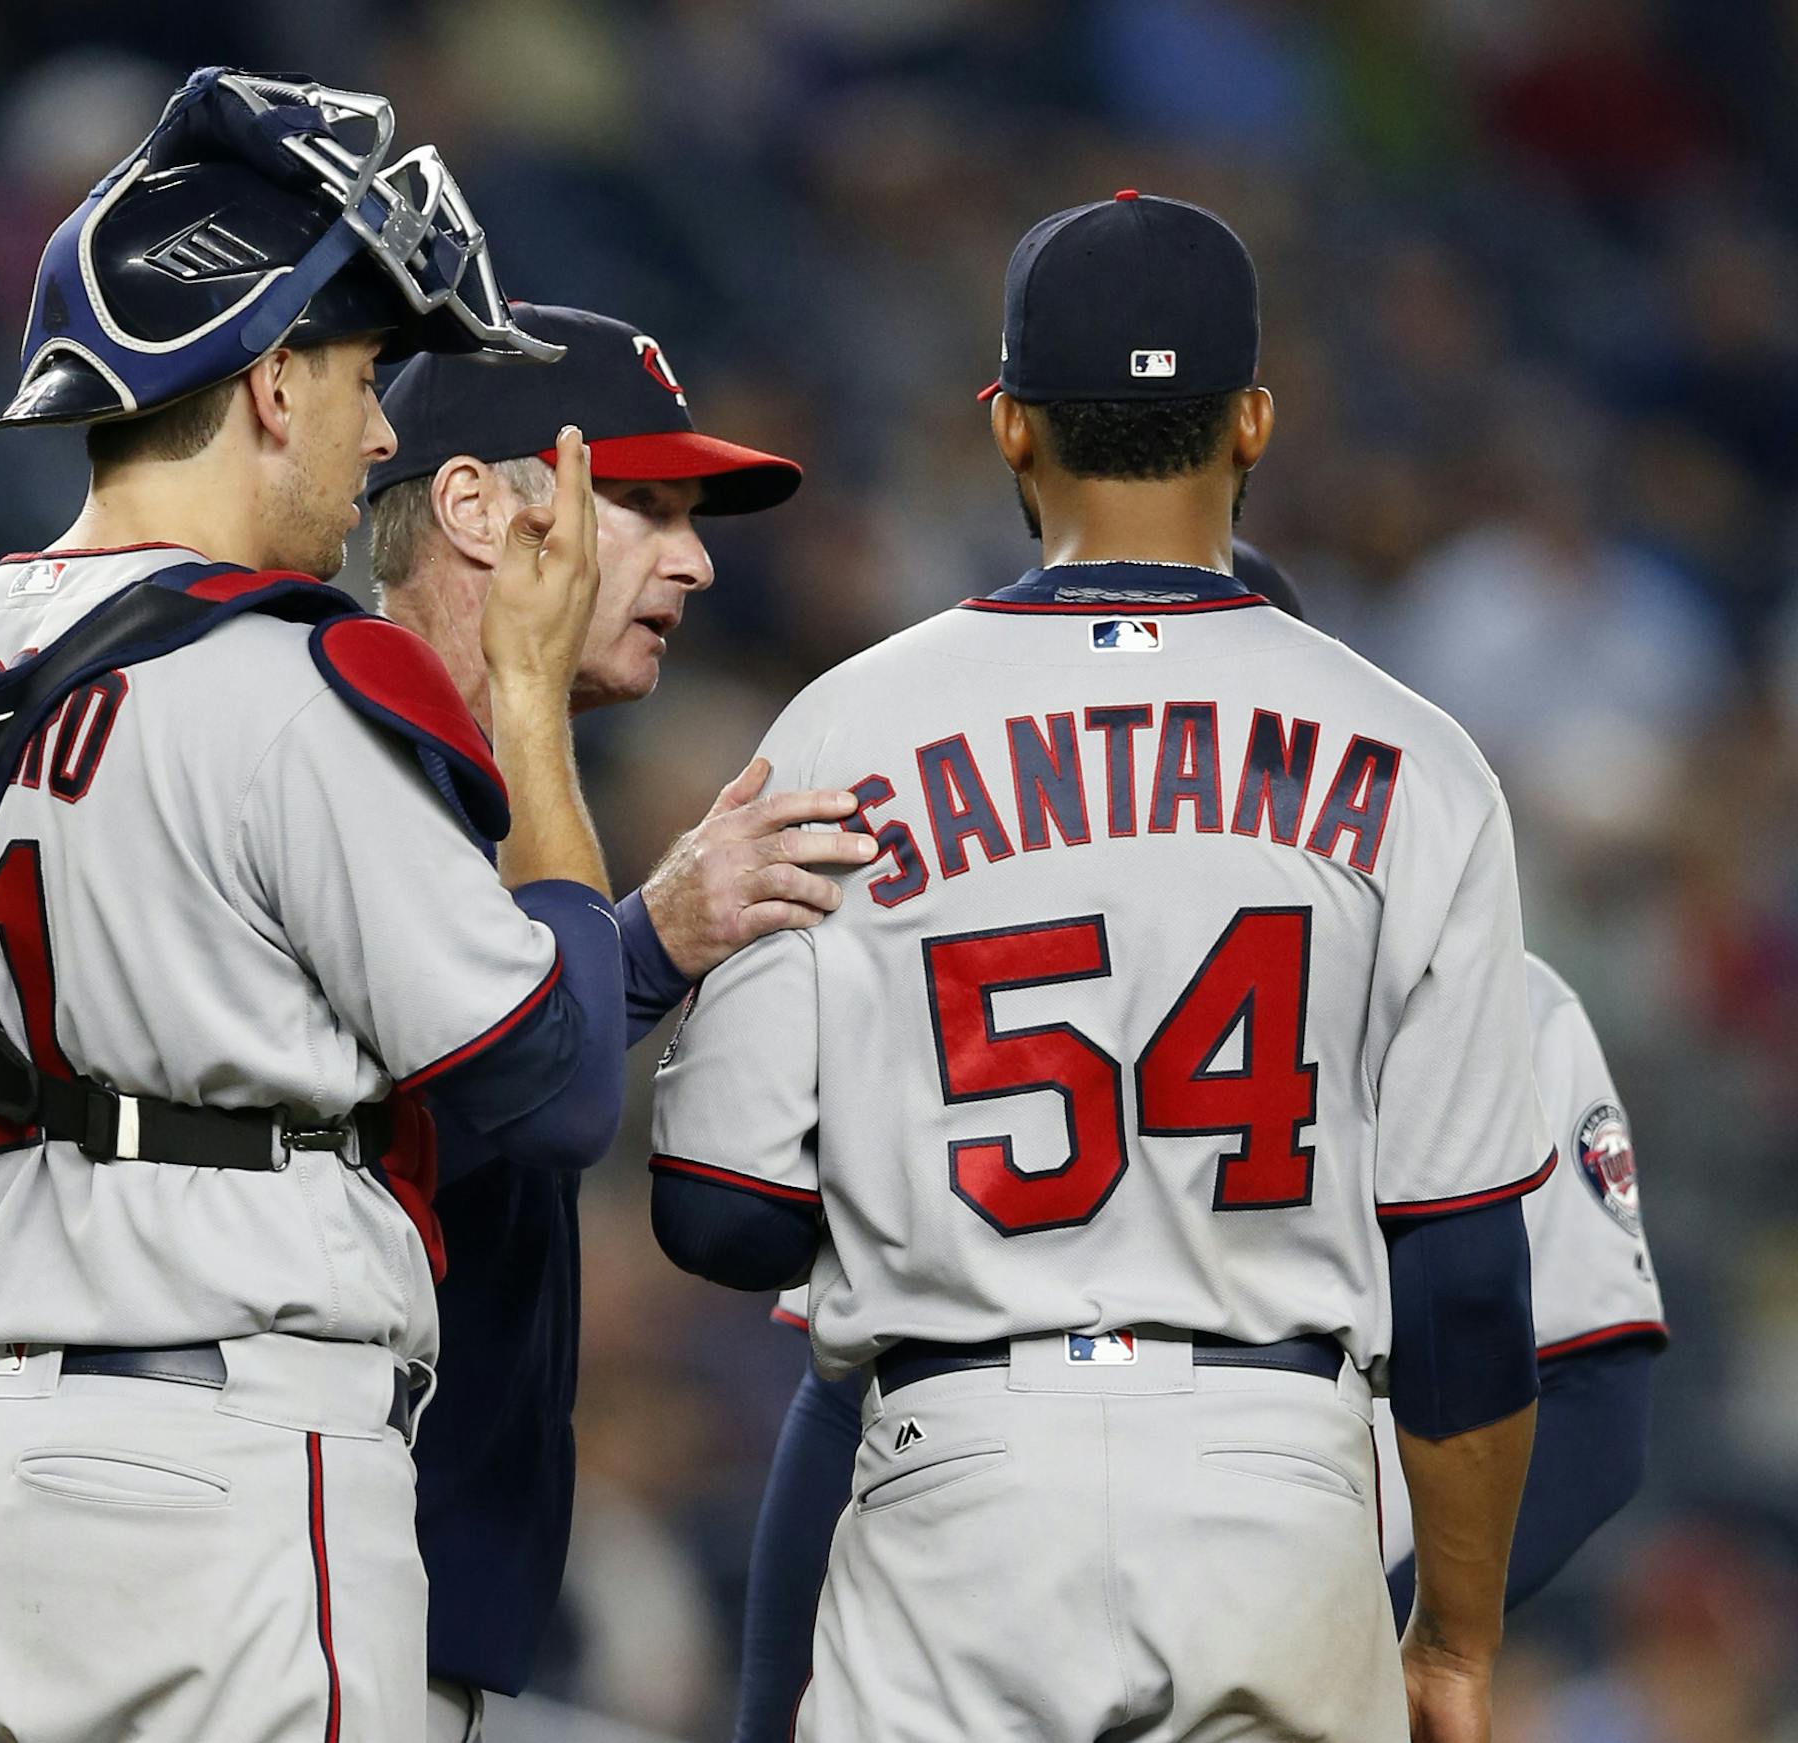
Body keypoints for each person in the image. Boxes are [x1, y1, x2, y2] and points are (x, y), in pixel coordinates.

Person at [0, 68, 621, 1743]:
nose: (382, 433)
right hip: (231, 1490)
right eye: (358, 379)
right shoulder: (295, 690)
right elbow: (556, 1087)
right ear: (273, 381)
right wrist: (533, 712)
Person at [647, 191, 1548, 1741]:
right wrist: (1453, 1640)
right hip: (1281, 1469)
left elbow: (723, 1212)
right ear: (1253, 419)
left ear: (1008, 425)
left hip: (962, 1465)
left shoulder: (848, 729)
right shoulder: (1423, 759)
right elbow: (1466, 1270)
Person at [733, 546, 1670, 1743]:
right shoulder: (942, 970)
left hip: (1083, 1577)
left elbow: (1596, 1395)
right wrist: (1382, 1638)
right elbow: (837, 1393)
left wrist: (1392, 1622)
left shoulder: (1493, 992)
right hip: (1168, 1573)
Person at [361, 301, 879, 1742]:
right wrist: (637, 936)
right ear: (477, 508)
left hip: (388, 1568)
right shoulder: (343, 753)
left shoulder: (448, 776)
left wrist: (647, 937)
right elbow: (511, 1102)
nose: (697, 557)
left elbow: (482, 1072)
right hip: (311, 1564)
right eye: (642, 506)